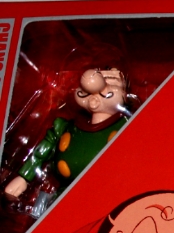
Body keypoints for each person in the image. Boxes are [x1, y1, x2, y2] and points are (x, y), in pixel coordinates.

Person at [4, 68, 133, 215]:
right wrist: (24, 177)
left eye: (111, 82)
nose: (95, 86)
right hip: (65, 199)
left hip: (108, 202)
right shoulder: (65, 128)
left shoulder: (127, 127)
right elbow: (41, 153)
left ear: (125, 96)